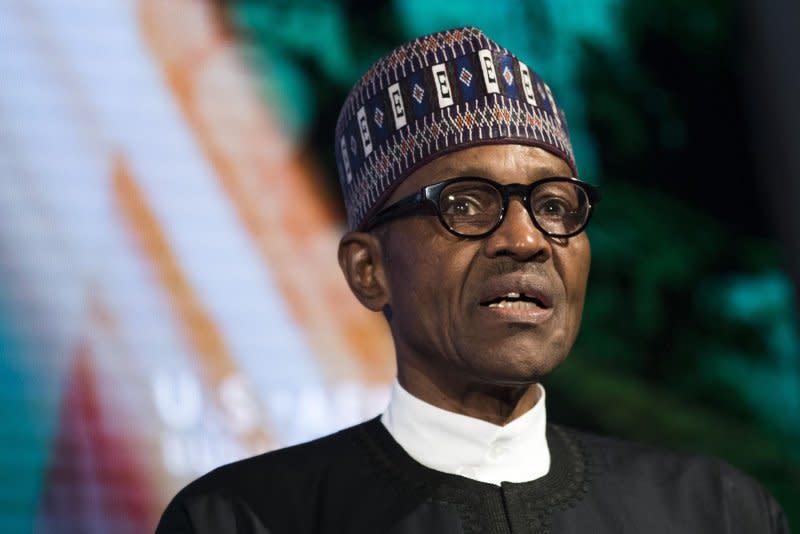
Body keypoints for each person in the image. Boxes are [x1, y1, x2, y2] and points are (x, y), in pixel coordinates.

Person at [155, 26, 790, 533]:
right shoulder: (239, 519)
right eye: (465, 203)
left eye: (555, 206)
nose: (526, 239)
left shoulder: (719, 513)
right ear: (368, 270)